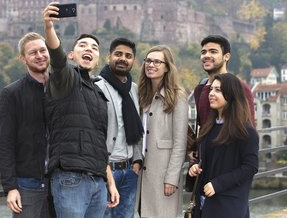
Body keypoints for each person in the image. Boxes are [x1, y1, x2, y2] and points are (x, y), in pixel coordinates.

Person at [42, 2, 119, 218]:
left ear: (97, 59)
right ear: (71, 55)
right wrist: (49, 27)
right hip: (70, 178)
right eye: (83, 45)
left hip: (97, 181)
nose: (89, 49)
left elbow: (100, 145)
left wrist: (110, 183)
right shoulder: (66, 79)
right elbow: (56, 58)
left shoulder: (98, 93)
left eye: (94, 48)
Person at [0, 32, 55, 218]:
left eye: (43, 50)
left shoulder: (60, 88)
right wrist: (10, 187)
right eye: (33, 52)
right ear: (23, 58)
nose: (39, 55)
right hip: (28, 184)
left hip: (59, 183)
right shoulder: (11, 93)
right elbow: (4, 144)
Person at [188, 73, 259, 218]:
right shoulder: (209, 127)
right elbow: (205, 158)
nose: (211, 94)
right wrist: (194, 166)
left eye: (217, 90)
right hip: (203, 203)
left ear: (231, 94)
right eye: (211, 89)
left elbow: (250, 167)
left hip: (228, 205)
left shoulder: (246, 132)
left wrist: (218, 184)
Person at [137, 45, 188, 218]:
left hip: (163, 173)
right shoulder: (142, 94)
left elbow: (180, 143)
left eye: (157, 62)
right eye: (148, 61)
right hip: (142, 172)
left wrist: (172, 178)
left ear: (167, 67)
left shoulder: (177, 96)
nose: (151, 65)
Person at [95, 38, 143, 218]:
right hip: (106, 170)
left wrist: (137, 161)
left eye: (128, 56)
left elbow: (136, 130)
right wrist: (105, 168)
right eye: (118, 54)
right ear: (109, 57)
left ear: (133, 61)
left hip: (130, 171)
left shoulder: (134, 90)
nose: (123, 59)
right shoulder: (96, 86)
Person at [188, 35, 255, 162]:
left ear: (226, 56)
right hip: (203, 163)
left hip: (228, 162)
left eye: (213, 51)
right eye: (203, 52)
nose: (206, 55)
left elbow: (249, 129)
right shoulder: (200, 89)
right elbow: (203, 126)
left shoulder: (239, 87)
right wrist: (195, 147)